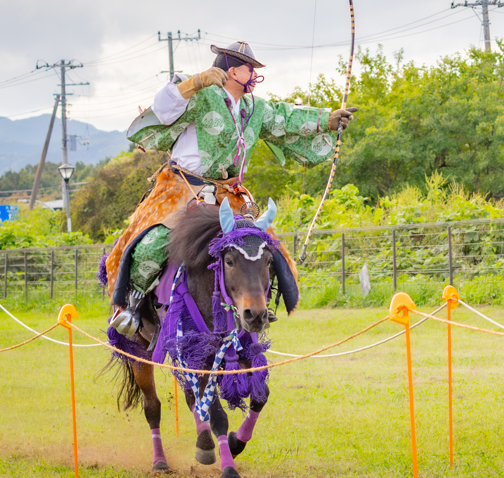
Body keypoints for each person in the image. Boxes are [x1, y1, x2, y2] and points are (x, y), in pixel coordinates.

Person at [105, 41, 356, 336]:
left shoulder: (255, 108)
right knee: (152, 244)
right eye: (250, 68)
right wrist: (196, 82)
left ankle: (258, 305)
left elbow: (286, 117)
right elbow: (162, 109)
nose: (254, 74)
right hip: (182, 188)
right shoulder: (201, 96)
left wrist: (326, 119)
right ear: (233, 70)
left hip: (230, 195)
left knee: (267, 249)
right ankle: (133, 305)